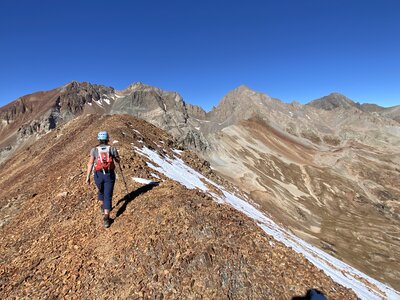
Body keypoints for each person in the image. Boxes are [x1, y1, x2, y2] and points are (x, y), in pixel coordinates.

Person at [86, 131, 120, 228]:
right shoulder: (112, 149)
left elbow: (90, 163)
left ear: (99, 139)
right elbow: (118, 160)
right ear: (108, 139)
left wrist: (87, 176)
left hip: (98, 175)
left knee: (101, 190)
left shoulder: (94, 150)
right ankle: (106, 218)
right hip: (109, 174)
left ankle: (102, 206)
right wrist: (115, 157)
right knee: (108, 195)